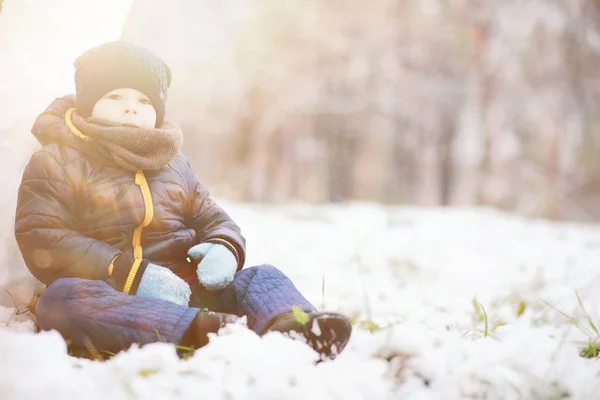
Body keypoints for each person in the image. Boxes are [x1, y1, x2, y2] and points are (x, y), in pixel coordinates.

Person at [14, 41, 351, 358]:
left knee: (262, 277)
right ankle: (208, 331)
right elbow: (43, 235)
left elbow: (211, 217)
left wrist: (224, 245)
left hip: (184, 285)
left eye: (145, 101)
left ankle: (295, 329)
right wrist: (129, 273)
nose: (131, 107)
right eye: (115, 96)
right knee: (61, 301)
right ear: (88, 103)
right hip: (113, 289)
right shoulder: (57, 160)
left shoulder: (174, 164)